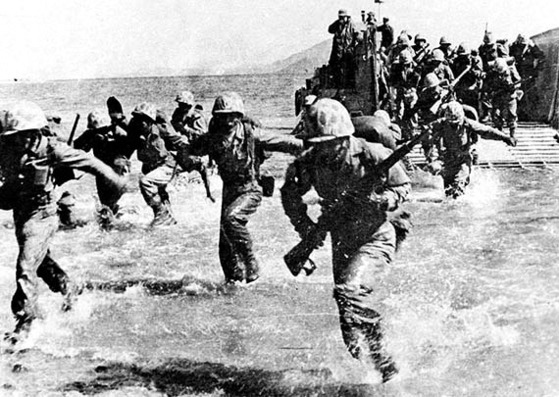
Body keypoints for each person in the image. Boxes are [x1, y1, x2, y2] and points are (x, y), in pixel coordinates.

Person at [280, 98, 411, 383]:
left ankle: (388, 366)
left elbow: (402, 186)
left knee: (348, 292)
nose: (323, 150)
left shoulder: (372, 154)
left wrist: (381, 200)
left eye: (330, 143)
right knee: (350, 328)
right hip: (342, 238)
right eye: (317, 143)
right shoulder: (309, 161)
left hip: (375, 235)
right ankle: (371, 374)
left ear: (344, 138)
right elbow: (289, 194)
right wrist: (306, 228)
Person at [0, 101, 129, 343]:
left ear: (37, 131)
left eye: (26, 135)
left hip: (43, 214)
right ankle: (69, 287)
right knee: (39, 262)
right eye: (17, 136)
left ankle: (25, 322)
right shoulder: (7, 146)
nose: (22, 141)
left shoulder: (53, 150)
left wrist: (115, 180)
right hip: (21, 212)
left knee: (26, 265)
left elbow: (89, 163)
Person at [187, 92, 303, 284]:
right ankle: (237, 287)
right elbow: (188, 150)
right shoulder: (212, 139)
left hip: (251, 188)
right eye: (222, 116)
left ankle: (251, 263)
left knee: (231, 219)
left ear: (239, 116)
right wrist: (188, 159)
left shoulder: (252, 135)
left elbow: (284, 142)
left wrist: (311, 147)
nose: (227, 121)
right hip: (230, 191)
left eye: (231, 116)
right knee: (226, 249)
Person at [426, 101, 516, 198]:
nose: (454, 126)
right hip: (447, 160)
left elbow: (487, 131)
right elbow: (424, 135)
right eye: (451, 123)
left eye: (456, 123)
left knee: (458, 189)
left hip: (463, 160)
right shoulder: (440, 124)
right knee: (448, 192)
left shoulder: (467, 123)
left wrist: (505, 137)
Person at [73, 101, 135, 225]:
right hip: (102, 170)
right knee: (105, 204)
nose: (102, 132)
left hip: (118, 168)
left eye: (105, 129)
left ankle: (116, 218)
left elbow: (133, 145)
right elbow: (76, 147)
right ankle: (107, 222)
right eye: (98, 130)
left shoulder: (118, 132)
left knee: (115, 199)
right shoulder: (90, 134)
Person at [127, 102, 188, 227]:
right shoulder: (135, 132)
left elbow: (178, 141)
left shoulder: (161, 129)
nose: (139, 124)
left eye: (142, 121)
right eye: (137, 120)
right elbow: (127, 147)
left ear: (150, 121)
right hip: (151, 167)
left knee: (146, 182)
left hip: (167, 165)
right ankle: (169, 218)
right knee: (160, 193)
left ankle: (161, 214)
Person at [485, 58, 521, 138]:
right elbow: (488, 84)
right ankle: (500, 133)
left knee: (511, 116)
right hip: (497, 97)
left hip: (509, 97)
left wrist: (513, 86)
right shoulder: (493, 73)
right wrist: (491, 92)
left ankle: (512, 135)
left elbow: (518, 81)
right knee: (496, 115)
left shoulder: (511, 70)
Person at [328, 9, 361, 88]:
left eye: (343, 18)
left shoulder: (351, 25)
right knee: (336, 70)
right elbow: (330, 29)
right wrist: (337, 23)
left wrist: (360, 39)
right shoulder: (337, 25)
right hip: (337, 53)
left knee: (349, 71)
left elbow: (357, 34)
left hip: (348, 53)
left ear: (347, 17)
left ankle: (348, 87)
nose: (341, 19)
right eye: (340, 17)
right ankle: (338, 87)